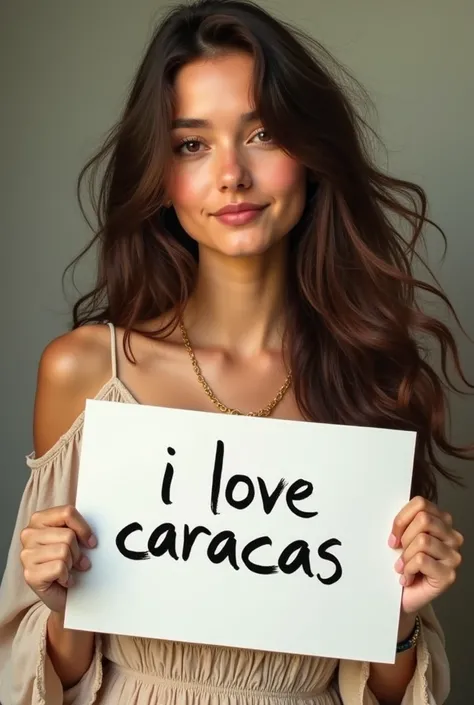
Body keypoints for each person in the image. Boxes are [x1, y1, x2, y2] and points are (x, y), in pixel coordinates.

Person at [0, 0, 470, 703]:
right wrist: (62, 603)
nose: (231, 175)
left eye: (263, 135)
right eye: (193, 144)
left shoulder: (374, 381)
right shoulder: (86, 372)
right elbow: (49, 682)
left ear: (310, 154)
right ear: (160, 174)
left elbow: (383, 687)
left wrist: (399, 620)